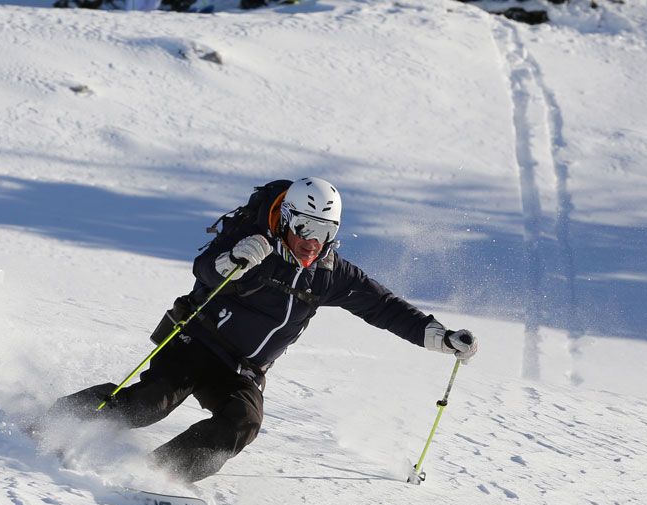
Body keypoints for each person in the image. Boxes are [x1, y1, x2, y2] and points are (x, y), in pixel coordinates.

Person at [48, 177, 478, 483]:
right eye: (306, 228)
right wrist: (231, 262)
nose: (313, 241)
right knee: (149, 403)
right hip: (195, 342)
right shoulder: (253, 242)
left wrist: (438, 337)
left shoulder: (330, 274)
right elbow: (203, 270)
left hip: (244, 369)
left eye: (325, 231)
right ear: (288, 219)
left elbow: (383, 306)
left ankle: (156, 475)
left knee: (242, 423)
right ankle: (54, 420)